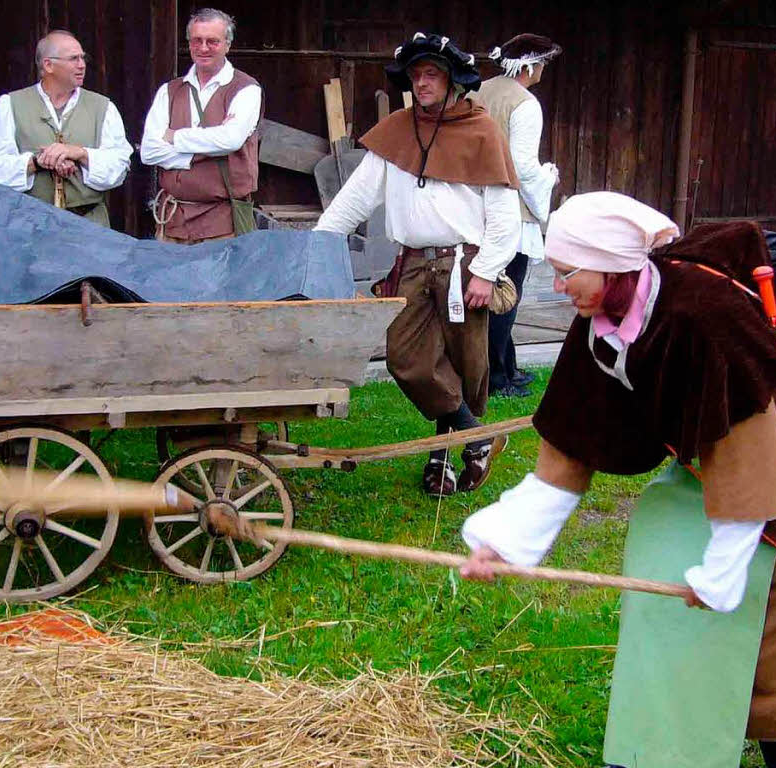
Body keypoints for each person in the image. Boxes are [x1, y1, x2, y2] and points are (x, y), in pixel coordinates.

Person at [459, 192, 776, 767]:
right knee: (667, 558)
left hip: (771, 474)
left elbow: (746, 446)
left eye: (566, 274)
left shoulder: (706, 316)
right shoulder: (600, 322)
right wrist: (508, 542)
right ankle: (658, 751)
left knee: (770, 643)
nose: (558, 289)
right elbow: (571, 441)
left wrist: (725, 566)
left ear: (612, 265)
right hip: (716, 473)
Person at [314, 32, 520, 497]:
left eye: (431, 74)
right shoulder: (398, 132)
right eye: (416, 75)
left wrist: (487, 270)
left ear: (453, 81)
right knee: (407, 358)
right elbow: (354, 199)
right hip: (409, 265)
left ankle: (442, 456)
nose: (421, 83)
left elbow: (504, 213)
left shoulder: (483, 131)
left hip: (462, 265)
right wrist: (317, 245)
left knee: (463, 364)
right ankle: (479, 437)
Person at [474, 34, 562, 397]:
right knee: (506, 293)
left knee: (491, 289)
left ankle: (507, 367)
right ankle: (495, 379)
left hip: (475, 203)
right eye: (541, 63)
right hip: (510, 208)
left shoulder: (476, 91)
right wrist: (549, 179)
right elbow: (523, 168)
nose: (543, 69)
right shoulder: (525, 104)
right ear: (527, 66)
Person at [0, 30, 131, 226]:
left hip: (89, 227)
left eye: (83, 58)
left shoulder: (103, 107)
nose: (82, 65)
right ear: (48, 65)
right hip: (27, 227)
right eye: (73, 59)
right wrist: (38, 162)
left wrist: (79, 154)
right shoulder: (9, 105)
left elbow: (119, 165)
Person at [140, 8, 263, 244]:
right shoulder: (170, 91)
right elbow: (148, 151)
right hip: (172, 222)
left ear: (227, 45)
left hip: (223, 224)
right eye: (197, 40)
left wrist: (174, 137)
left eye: (212, 41)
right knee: (169, 282)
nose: (203, 48)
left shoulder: (246, 89)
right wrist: (204, 152)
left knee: (220, 282)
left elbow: (230, 140)